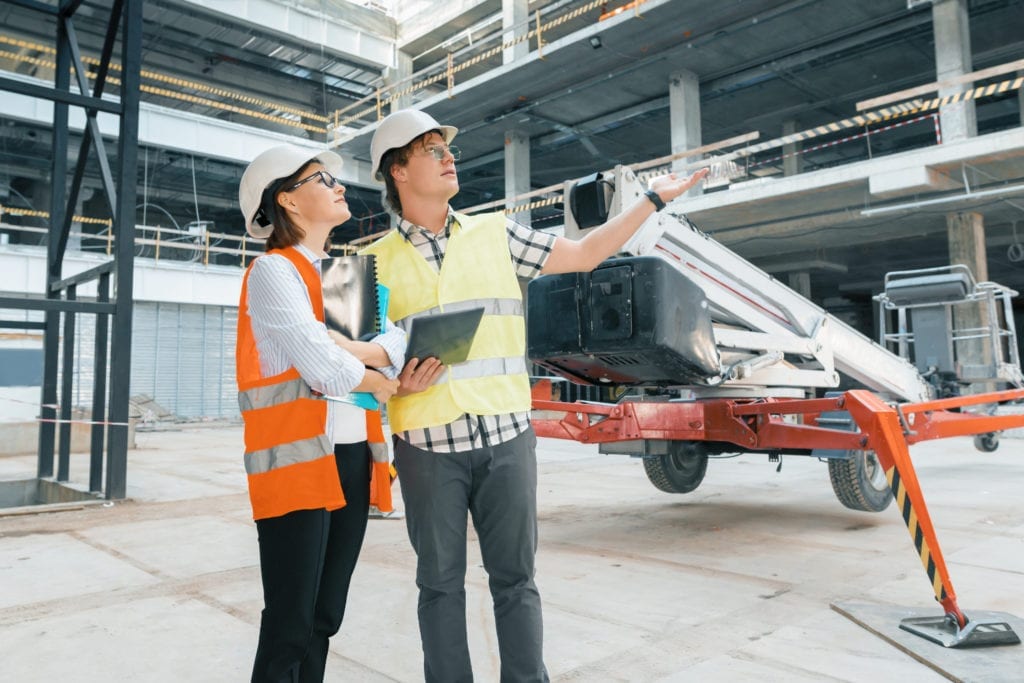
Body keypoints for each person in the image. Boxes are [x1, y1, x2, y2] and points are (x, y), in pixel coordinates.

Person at [362, 109, 709, 682]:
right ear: (397, 171)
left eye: (447, 148)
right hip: (426, 446)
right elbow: (351, 365)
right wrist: (392, 383)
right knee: (439, 586)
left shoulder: (494, 232)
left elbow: (582, 255)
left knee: (516, 582)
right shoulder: (369, 262)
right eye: (430, 149)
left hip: (506, 440)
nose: (450, 157)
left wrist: (651, 200)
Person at [236, 144, 404, 683]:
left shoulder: (346, 278)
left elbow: (397, 339)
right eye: (322, 178)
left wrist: (367, 355)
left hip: (352, 457)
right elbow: (321, 364)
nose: (340, 186)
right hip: (296, 466)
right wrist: (380, 376)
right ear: (286, 199)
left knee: (325, 617)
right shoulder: (271, 272)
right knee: (290, 622)